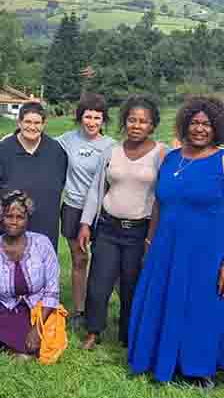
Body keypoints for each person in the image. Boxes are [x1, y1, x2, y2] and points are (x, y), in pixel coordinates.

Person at [127, 96, 224, 388]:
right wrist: (149, 244)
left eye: (206, 124)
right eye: (194, 123)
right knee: (164, 301)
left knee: (200, 309)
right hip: (166, 249)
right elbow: (159, 204)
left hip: (206, 254)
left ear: (216, 127)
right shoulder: (171, 158)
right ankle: (158, 359)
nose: (199, 129)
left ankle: (198, 369)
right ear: (185, 124)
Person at [77, 94, 166, 350]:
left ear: (152, 125)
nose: (137, 125)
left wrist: (154, 236)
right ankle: (93, 331)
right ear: (124, 122)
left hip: (140, 232)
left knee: (132, 285)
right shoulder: (111, 151)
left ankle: (128, 335)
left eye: (143, 121)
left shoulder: (162, 154)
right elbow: (97, 190)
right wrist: (85, 224)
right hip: (108, 228)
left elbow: (165, 195)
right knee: (98, 283)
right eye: (132, 120)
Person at [0, 191, 60, 361]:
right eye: (9, 216)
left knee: (41, 343)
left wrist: (37, 330)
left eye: (20, 217)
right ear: (1, 217)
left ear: (28, 219)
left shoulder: (43, 244)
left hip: (36, 309)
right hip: (4, 306)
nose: (14, 222)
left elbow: (52, 291)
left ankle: (5, 344)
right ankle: (0, 341)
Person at [56, 92, 115, 328]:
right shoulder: (67, 139)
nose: (92, 122)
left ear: (103, 120)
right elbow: (39, 139)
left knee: (107, 262)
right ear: (80, 118)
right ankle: (79, 310)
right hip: (72, 207)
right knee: (79, 259)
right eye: (87, 117)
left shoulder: (111, 146)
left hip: (102, 211)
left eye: (97, 118)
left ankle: (114, 307)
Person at [0, 102, 67, 251]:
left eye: (37, 122)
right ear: (19, 122)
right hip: (6, 223)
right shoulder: (0, 151)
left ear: (44, 124)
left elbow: (60, 182)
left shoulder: (56, 151)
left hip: (44, 224)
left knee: (40, 268)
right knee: (3, 267)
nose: (32, 127)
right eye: (28, 122)